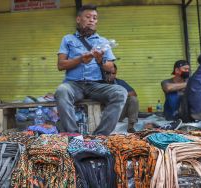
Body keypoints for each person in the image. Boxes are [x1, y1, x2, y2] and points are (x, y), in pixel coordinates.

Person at [55, 4, 127, 135]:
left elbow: (110, 68)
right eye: (88, 17)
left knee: (120, 92)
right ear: (78, 19)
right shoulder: (68, 39)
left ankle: (100, 136)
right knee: (62, 90)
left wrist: (100, 60)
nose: (92, 20)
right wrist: (80, 59)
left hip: (96, 85)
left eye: (95, 17)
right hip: (74, 85)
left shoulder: (103, 41)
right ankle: (74, 135)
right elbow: (61, 65)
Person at [107, 64, 139, 133]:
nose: (111, 75)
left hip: (118, 113)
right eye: (108, 73)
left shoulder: (119, 82)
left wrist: (120, 93)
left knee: (133, 99)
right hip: (105, 114)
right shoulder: (99, 83)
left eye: (113, 73)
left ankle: (131, 127)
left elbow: (134, 93)